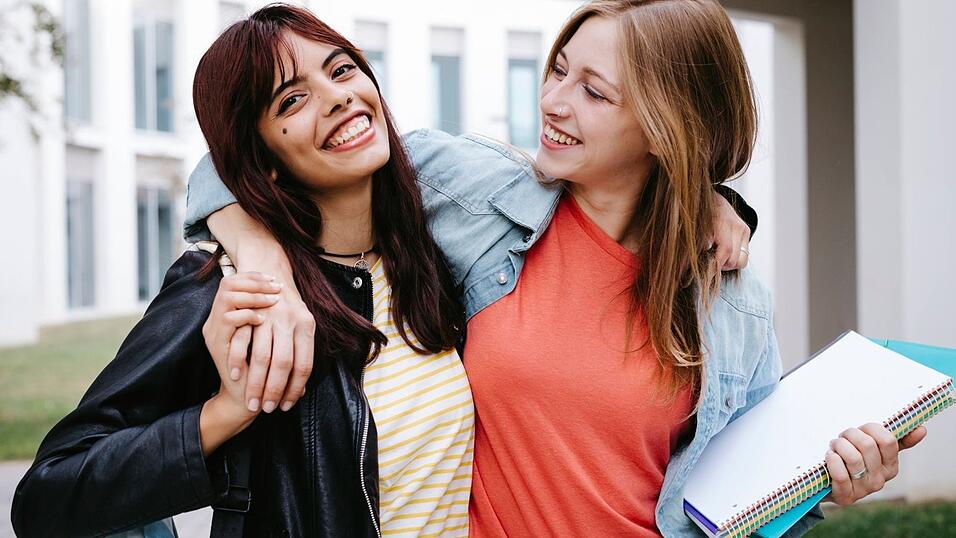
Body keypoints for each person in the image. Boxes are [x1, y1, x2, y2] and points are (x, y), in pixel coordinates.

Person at [184, 1, 928, 536]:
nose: (552, 102)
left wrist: (828, 486)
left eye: (593, 92)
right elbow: (236, 159)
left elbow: (742, 499)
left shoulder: (732, 300)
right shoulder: (474, 190)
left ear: (668, 129)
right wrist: (265, 261)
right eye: (560, 70)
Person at [11, 5, 474, 537]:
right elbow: (46, 496)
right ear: (262, 159)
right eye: (292, 100)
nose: (337, 96)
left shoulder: (433, 256)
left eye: (342, 69)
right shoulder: (235, 291)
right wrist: (227, 411)